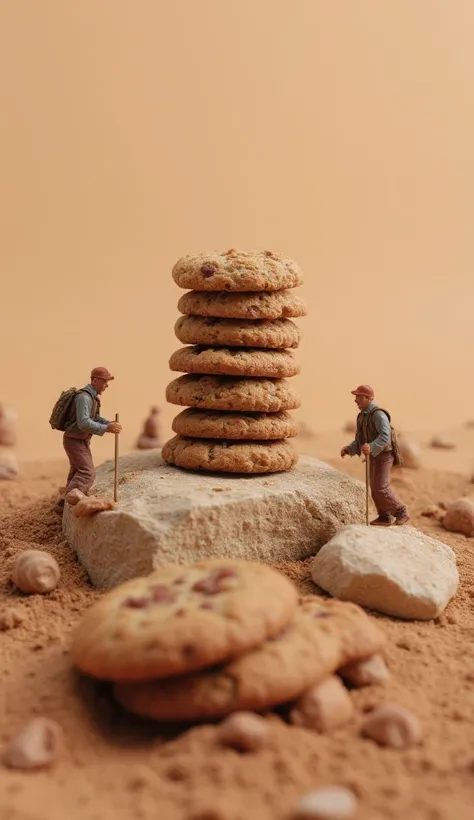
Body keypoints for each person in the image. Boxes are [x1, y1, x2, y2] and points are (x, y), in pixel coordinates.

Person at [53, 367, 122, 515]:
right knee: (87, 472)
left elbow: (94, 418)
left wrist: (107, 423)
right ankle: (69, 500)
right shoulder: (84, 397)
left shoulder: (92, 397)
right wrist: (106, 428)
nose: (106, 386)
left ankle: (62, 505)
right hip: (74, 440)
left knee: (77, 470)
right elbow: (83, 423)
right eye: (105, 382)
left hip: (80, 440)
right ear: (95, 380)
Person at [341, 384, 409, 526]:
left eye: (359, 397)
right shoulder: (361, 416)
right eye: (356, 397)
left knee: (380, 487)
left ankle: (401, 510)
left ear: (368, 398)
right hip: (374, 454)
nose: (356, 400)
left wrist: (371, 446)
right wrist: (349, 449)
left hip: (384, 454)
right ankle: (385, 516)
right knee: (374, 487)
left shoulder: (378, 414)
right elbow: (360, 439)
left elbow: (385, 436)